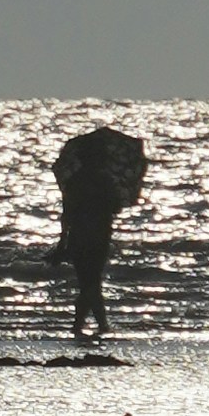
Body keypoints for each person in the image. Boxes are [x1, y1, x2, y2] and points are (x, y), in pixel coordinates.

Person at [54, 121, 145, 347]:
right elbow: (114, 207)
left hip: (79, 235)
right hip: (99, 235)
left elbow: (68, 213)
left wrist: (63, 240)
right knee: (92, 282)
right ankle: (92, 325)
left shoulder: (74, 181)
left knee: (88, 281)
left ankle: (89, 324)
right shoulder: (105, 182)